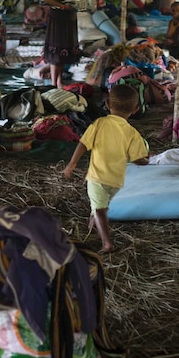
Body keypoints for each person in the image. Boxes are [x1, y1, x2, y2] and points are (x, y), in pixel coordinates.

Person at [62, 84, 150, 252]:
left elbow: (82, 144)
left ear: (107, 104)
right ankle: (92, 224)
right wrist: (148, 161)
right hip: (116, 181)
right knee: (100, 205)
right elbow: (138, 160)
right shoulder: (133, 133)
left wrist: (71, 165)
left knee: (100, 209)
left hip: (97, 177)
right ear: (136, 109)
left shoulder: (100, 123)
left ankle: (107, 243)